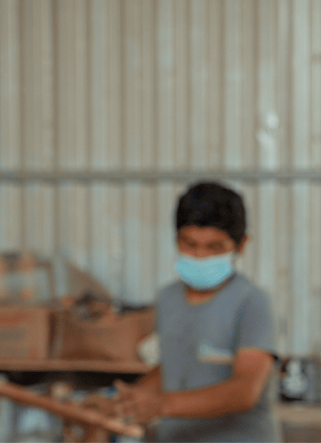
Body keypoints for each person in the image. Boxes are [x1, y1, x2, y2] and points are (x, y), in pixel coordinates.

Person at [115, 181, 280, 442]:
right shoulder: (168, 298)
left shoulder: (251, 302)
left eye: (214, 247)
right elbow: (173, 367)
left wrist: (161, 405)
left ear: (241, 245)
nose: (200, 255)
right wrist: (122, 403)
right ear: (176, 239)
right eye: (189, 244)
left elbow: (245, 390)